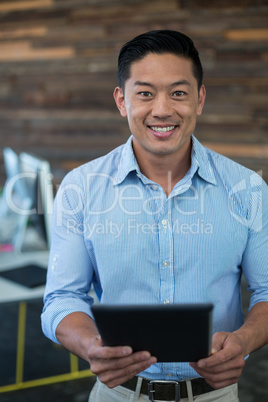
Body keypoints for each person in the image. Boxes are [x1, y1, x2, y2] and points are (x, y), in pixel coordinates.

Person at [41, 30, 268, 402]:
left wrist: (243, 340)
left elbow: (267, 291)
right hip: (118, 394)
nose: (162, 110)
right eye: (145, 93)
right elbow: (63, 298)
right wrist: (90, 345)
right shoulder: (79, 188)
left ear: (200, 99)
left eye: (178, 93)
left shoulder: (248, 190)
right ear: (121, 100)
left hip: (215, 394)